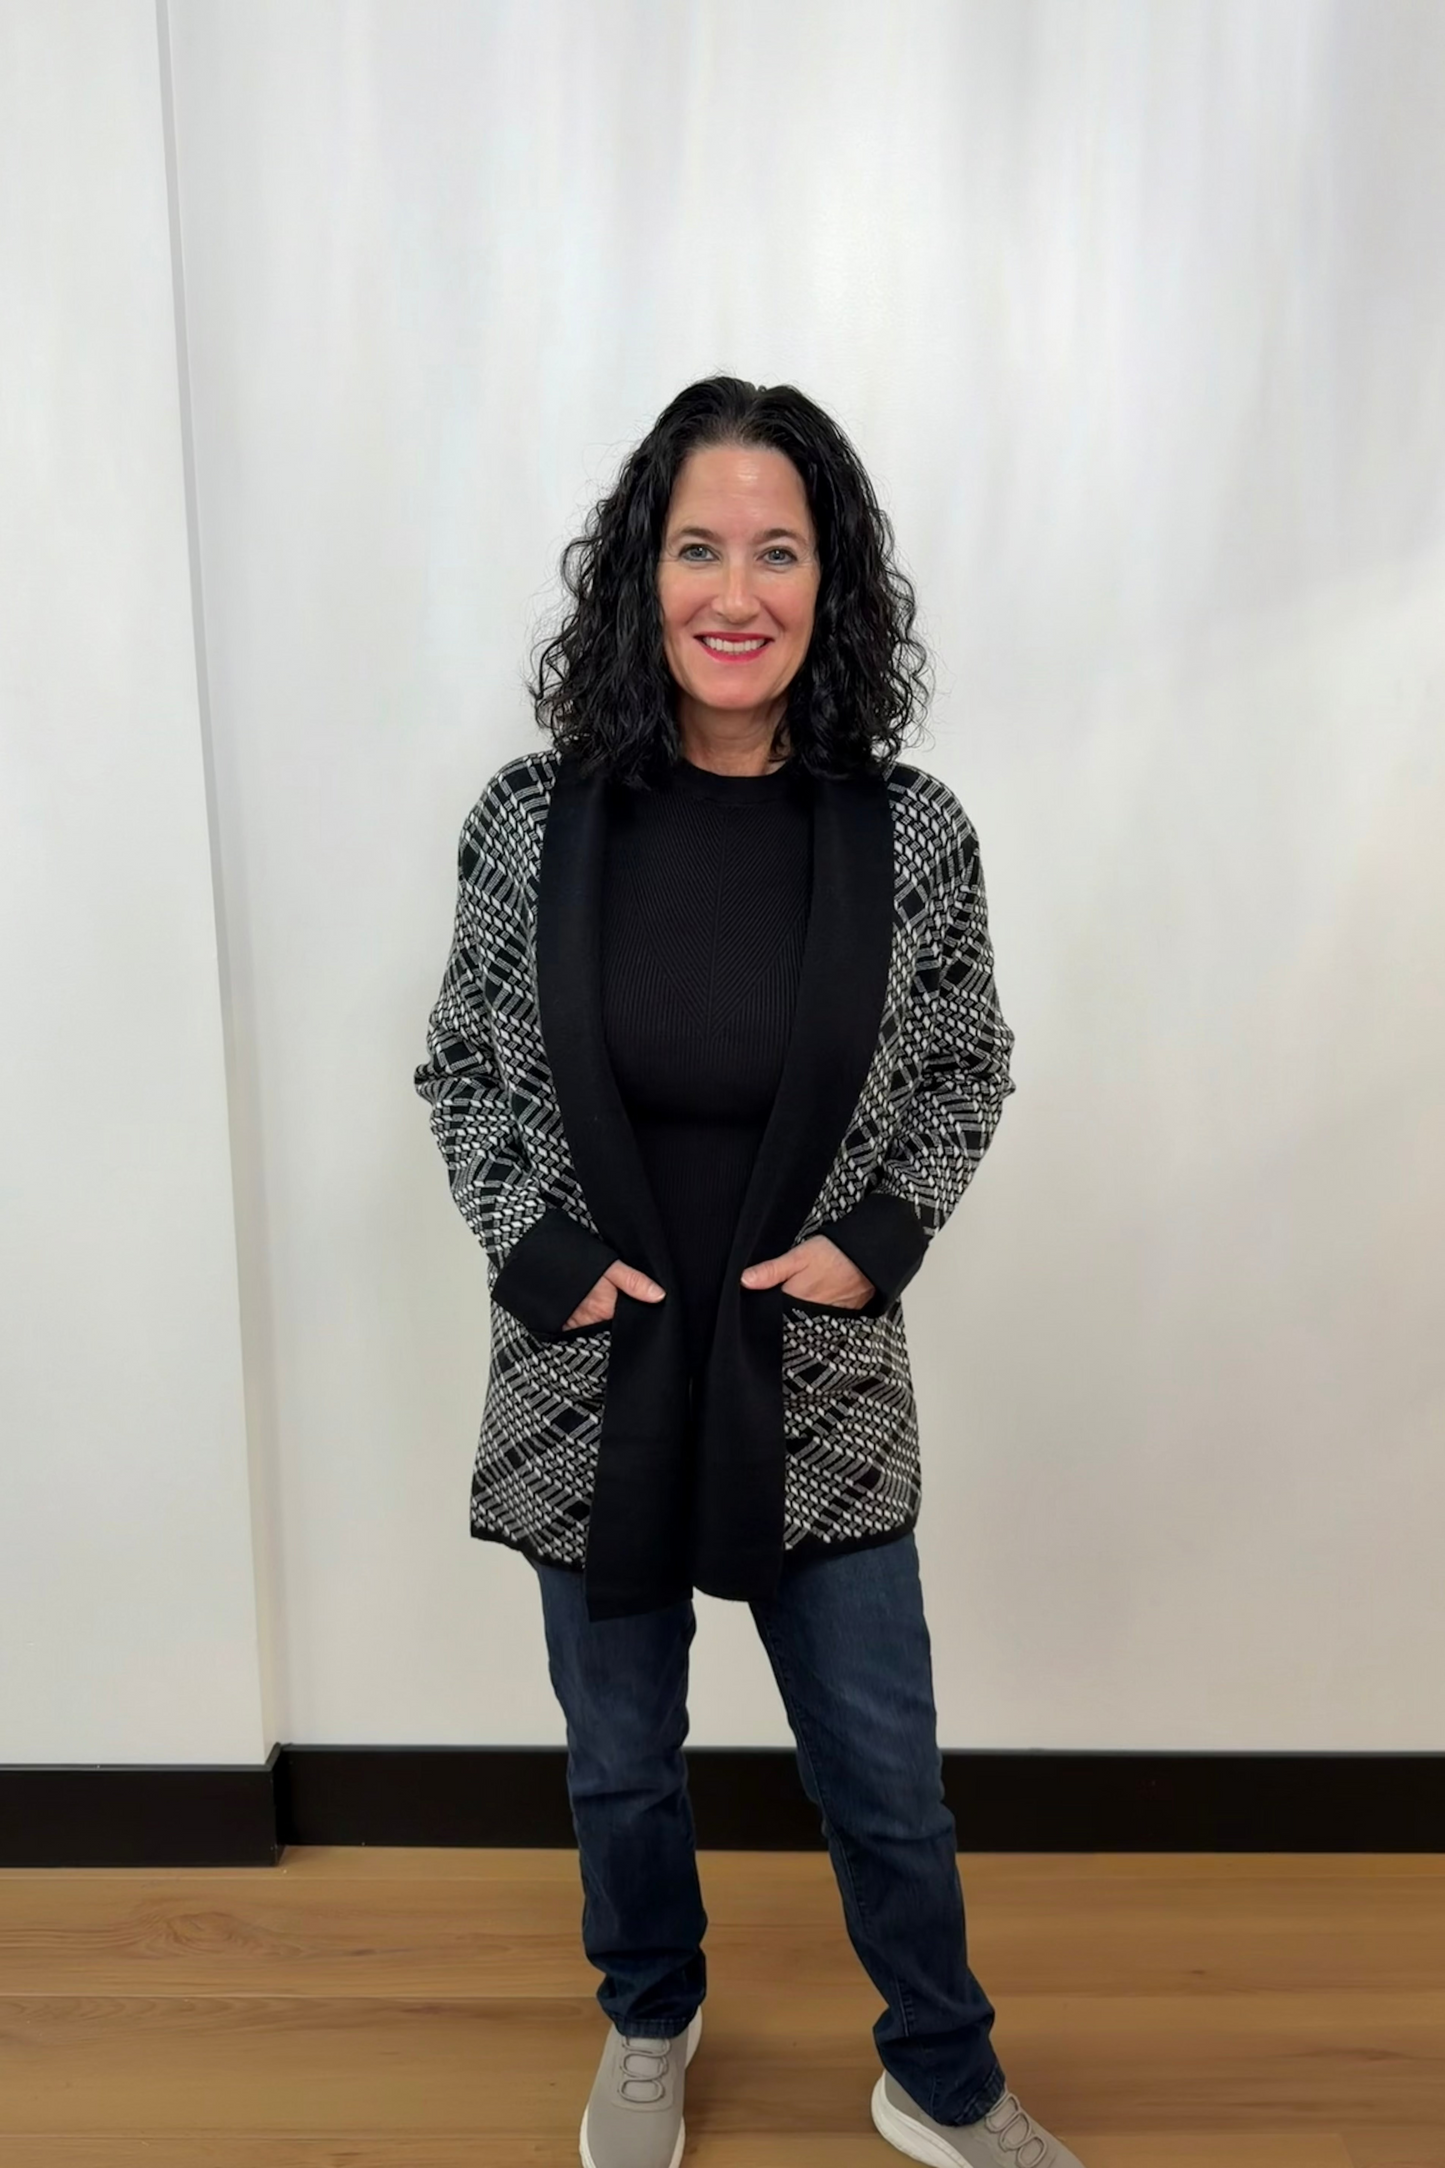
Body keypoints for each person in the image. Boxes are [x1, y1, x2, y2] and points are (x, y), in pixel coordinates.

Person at [415, 377, 1085, 2168]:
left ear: (828, 583)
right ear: (643, 576)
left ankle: (941, 2073)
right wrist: (542, 1253)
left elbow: (969, 1060)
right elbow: (463, 1063)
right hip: (592, 1373)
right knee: (618, 1760)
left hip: (820, 1383)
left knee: (887, 1775)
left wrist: (876, 1247)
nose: (737, 589)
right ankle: (650, 2014)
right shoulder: (530, 821)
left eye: (777, 550)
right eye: (698, 545)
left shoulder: (910, 832)